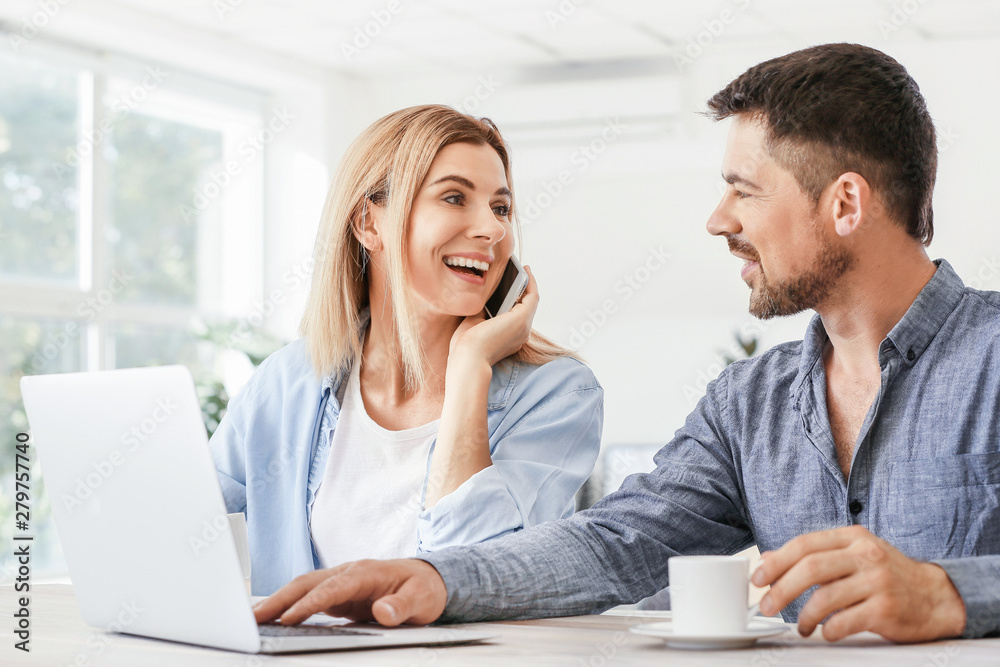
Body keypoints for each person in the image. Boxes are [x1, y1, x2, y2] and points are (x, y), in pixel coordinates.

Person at [252, 44, 1000, 643]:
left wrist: (948, 591)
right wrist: (438, 579)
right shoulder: (749, 406)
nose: (716, 219)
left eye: (744, 189)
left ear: (844, 203)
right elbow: (613, 543)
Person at [210, 105, 603, 595]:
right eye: (455, 198)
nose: (494, 229)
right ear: (369, 224)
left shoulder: (558, 394)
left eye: (500, 207)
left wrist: (470, 368)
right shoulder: (286, 383)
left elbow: (473, 581)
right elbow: (181, 533)